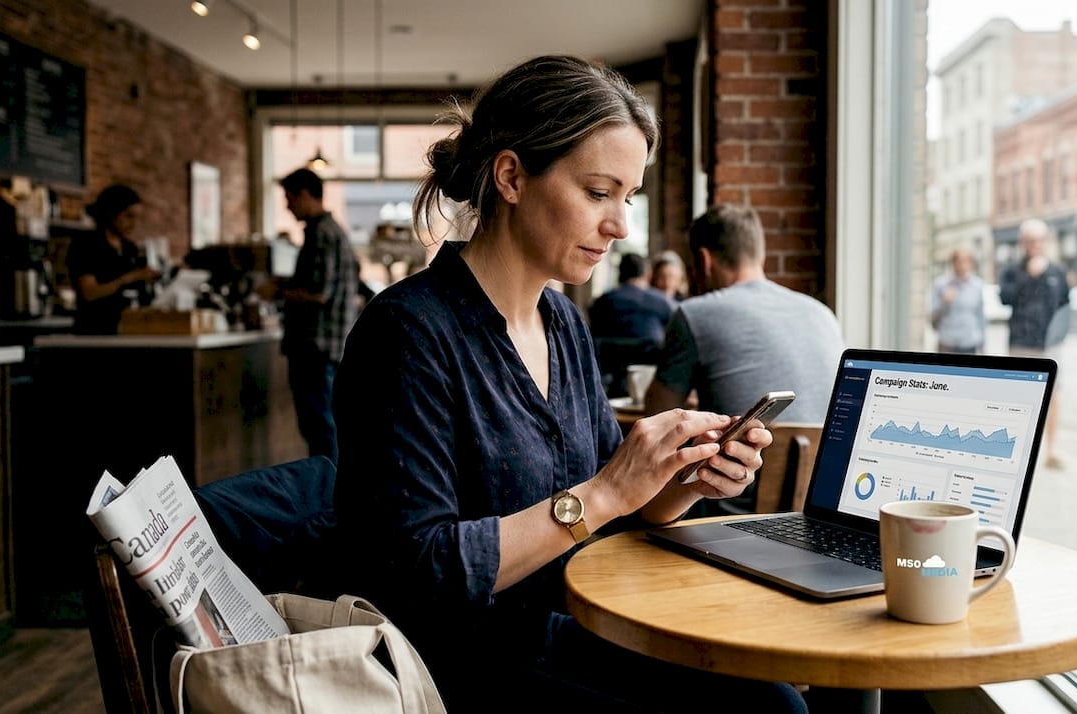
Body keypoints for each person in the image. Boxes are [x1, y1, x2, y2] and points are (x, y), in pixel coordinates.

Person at [331, 55, 808, 713]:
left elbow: (612, 509)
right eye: (597, 192)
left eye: (628, 199)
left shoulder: (563, 323)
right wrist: (608, 490)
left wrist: (685, 480)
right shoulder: (407, 332)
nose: (620, 226)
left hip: (567, 626)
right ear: (511, 177)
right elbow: (423, 574)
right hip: (456, 663)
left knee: (774, 700)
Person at [644, 203, 846, 515]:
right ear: (759, 254)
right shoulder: (823, 314)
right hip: (821, 507)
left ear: (703, 260)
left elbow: (657, 420)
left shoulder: (693, 314)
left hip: (727, 513)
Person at [256, 168, 359, 463]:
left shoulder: (321, 233)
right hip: (329, 346)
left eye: (289, 198)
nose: (287, 206)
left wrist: (276, 290)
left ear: (304, 195)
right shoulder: (333, 231)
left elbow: (318, 292)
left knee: (321, 429)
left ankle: (327, 498)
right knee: (326, 426)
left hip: (315, 346)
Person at [1000, 218, 1070, 469]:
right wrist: (1029, 277)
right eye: (1029, 240)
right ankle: (1016, 452)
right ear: (1022, 243)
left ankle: (1051, 450)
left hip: (1050, 346)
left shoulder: (1057, 271)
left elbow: (1064, 305)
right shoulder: (1011, 271)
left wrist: (1059, 335)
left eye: (1038, 240)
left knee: (1054, 396)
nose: (1034, 245)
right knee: (1019, 399)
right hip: (1021, 343)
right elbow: (1005, 299)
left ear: (1045, 242)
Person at [66, 184, 161, 335]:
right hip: (94, 332)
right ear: (111, 213)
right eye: (128, 216)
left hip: (128, 330)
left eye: (136, 217)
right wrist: (127, 279)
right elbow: (89, 293)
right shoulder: (86, 244)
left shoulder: (130, 248)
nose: (134, 223)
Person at [587, 252, 675, 397]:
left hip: (607, 383)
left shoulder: (601, 303)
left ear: (620, 273)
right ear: (648, 274)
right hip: (650, 382)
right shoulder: (663, 303)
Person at [929, 246, 987, 354]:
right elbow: (932, 318)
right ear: (952, 263)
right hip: (947, 343)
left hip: (970, 343)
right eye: (959, 262)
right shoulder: (941, 285)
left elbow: (980, 316)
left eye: (966, 261)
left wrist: (983, 344)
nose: (962, 266)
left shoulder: (977, 285)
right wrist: (944, 302)